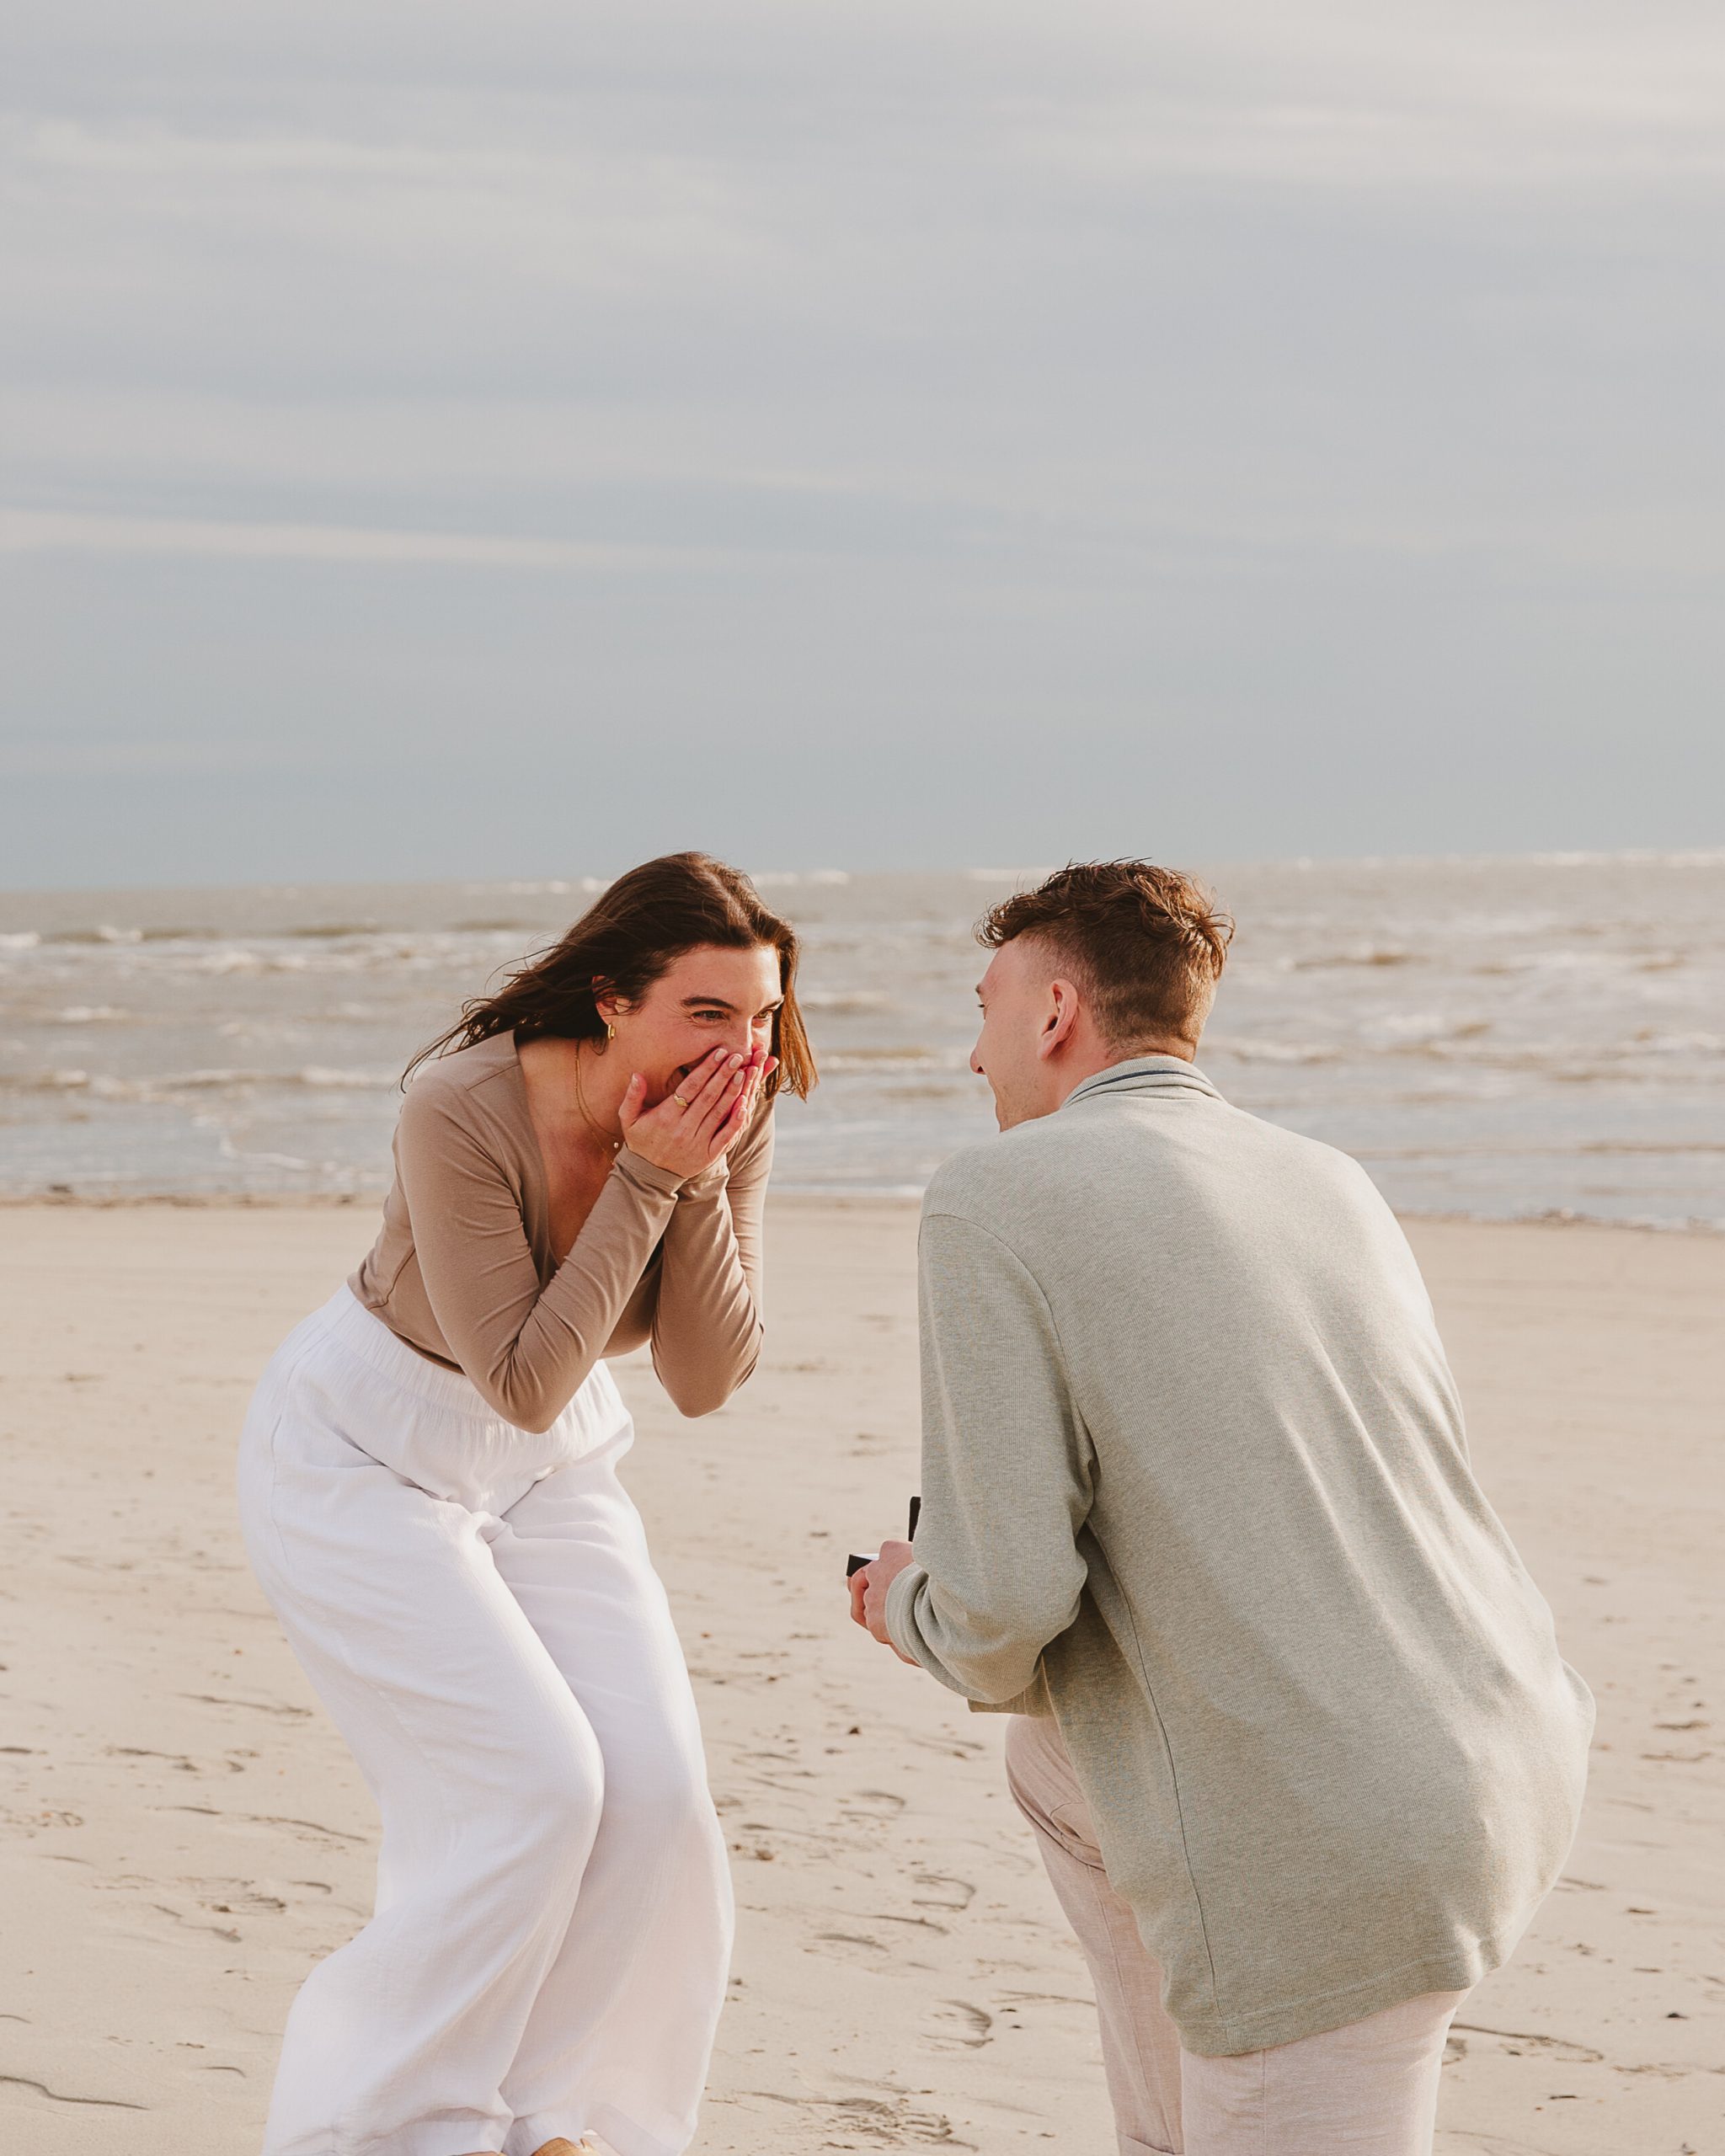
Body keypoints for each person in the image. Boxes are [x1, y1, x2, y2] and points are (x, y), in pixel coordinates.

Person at [852, 859, 1592, 2156]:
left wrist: (904, 1600)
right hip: (1501, 1743)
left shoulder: (997, 1197)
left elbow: (1002, 1613)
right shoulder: (1324, 1177)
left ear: (1054, 1014)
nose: (973, 1058)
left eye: (985, 1010)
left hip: (1329, 1853)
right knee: (1052, 1764)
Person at [238, 851, 814, 2156]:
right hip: (363, 1447)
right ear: (611, 998)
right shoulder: (462, 1106)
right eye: (709, 1015)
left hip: (549, 1466)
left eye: (763, 1016)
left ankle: (555, 2121)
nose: (745, 1047)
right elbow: (521, 1375)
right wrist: (650, 1182)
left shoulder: (733, 1111)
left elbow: (706, 1376)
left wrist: (704, 1173)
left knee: (658, 1795)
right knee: (538, 1787)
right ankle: (388, 2129)